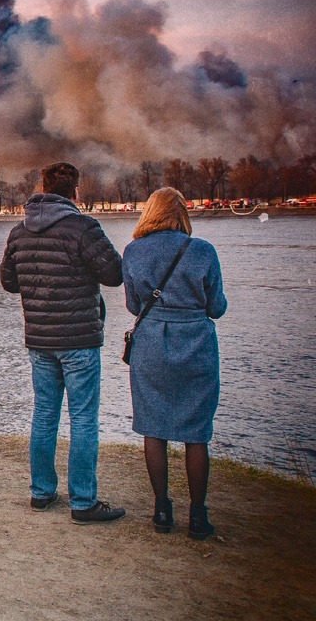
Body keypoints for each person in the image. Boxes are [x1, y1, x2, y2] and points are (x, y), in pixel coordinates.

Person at [0, 162, 126, 525]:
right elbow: (114, 274)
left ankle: (41, 492)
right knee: (83, 417)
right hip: (79, 338)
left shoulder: (19, 232)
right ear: (75, 192)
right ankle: (83, 501)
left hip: (40, 338)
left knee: (44, 414)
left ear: (42, 188)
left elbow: (9, 282)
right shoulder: (84, 228)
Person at [123, 187, 227, 540]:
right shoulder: (203, 251)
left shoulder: (134, 251)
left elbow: (134, 305)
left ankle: (162, 510)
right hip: (196, 344)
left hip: (151, 344)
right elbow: (217, 307)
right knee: (197, 432)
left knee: (154, 428)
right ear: (182, 213)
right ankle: (197, 516)